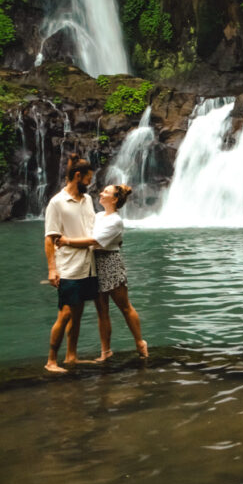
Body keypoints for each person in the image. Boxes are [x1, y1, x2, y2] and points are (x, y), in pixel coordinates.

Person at [56, 183, 148, 359]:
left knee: (124, 306)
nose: (101, 193)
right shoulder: (98, 216)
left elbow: (93, 241)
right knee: (101, 309)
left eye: (106, 192)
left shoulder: (116, 220)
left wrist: (67, 241)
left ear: (114, 199)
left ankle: (139, 342)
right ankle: (105, 351)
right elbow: (84, 230)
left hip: (110, 263)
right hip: (94, 262)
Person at [43, 153, 100, 373]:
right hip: (68, 266)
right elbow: (50, 238)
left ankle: (71, 357)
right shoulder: (57, 203)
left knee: (77, 313)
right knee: (65, 313)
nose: (90, 183)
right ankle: (51, 361)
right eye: (88, 179)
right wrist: (52, 269)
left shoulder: (87, 201)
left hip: (88, 265)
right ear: (78, 176)